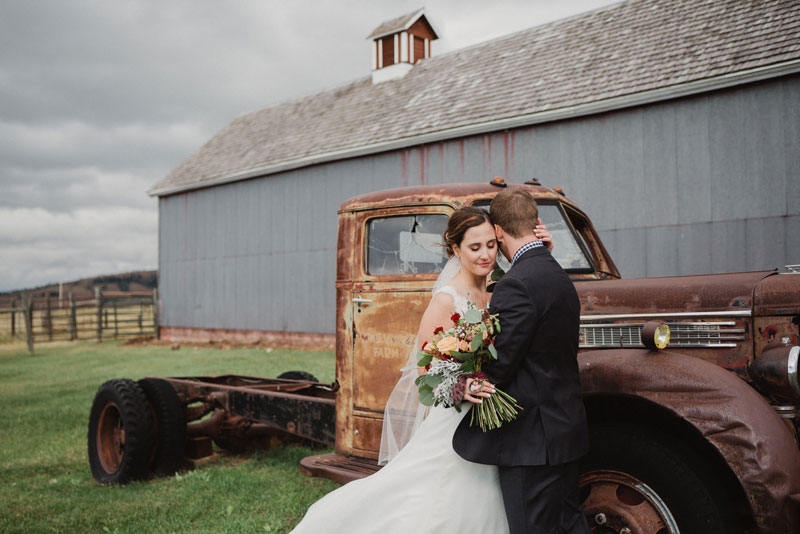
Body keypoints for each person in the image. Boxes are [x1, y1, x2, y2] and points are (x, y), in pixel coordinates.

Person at [290, 206, 552, 533]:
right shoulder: (446, 299)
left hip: (490, 417)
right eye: (474, 247)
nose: (485, 255)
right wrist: (463, 386)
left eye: (490, 245)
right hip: (456, 418)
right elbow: (427, 367)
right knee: (441, 496)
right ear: (455, 249)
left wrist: (543, 250)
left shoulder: (499, 286)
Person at [453, 188, 590, 534]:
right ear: (536, 223)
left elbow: (501, 363)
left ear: (498, 232)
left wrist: (463, 381)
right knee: (571, 524)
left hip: (531, 442)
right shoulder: (558, 274)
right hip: (566, 431)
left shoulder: (516, 284)